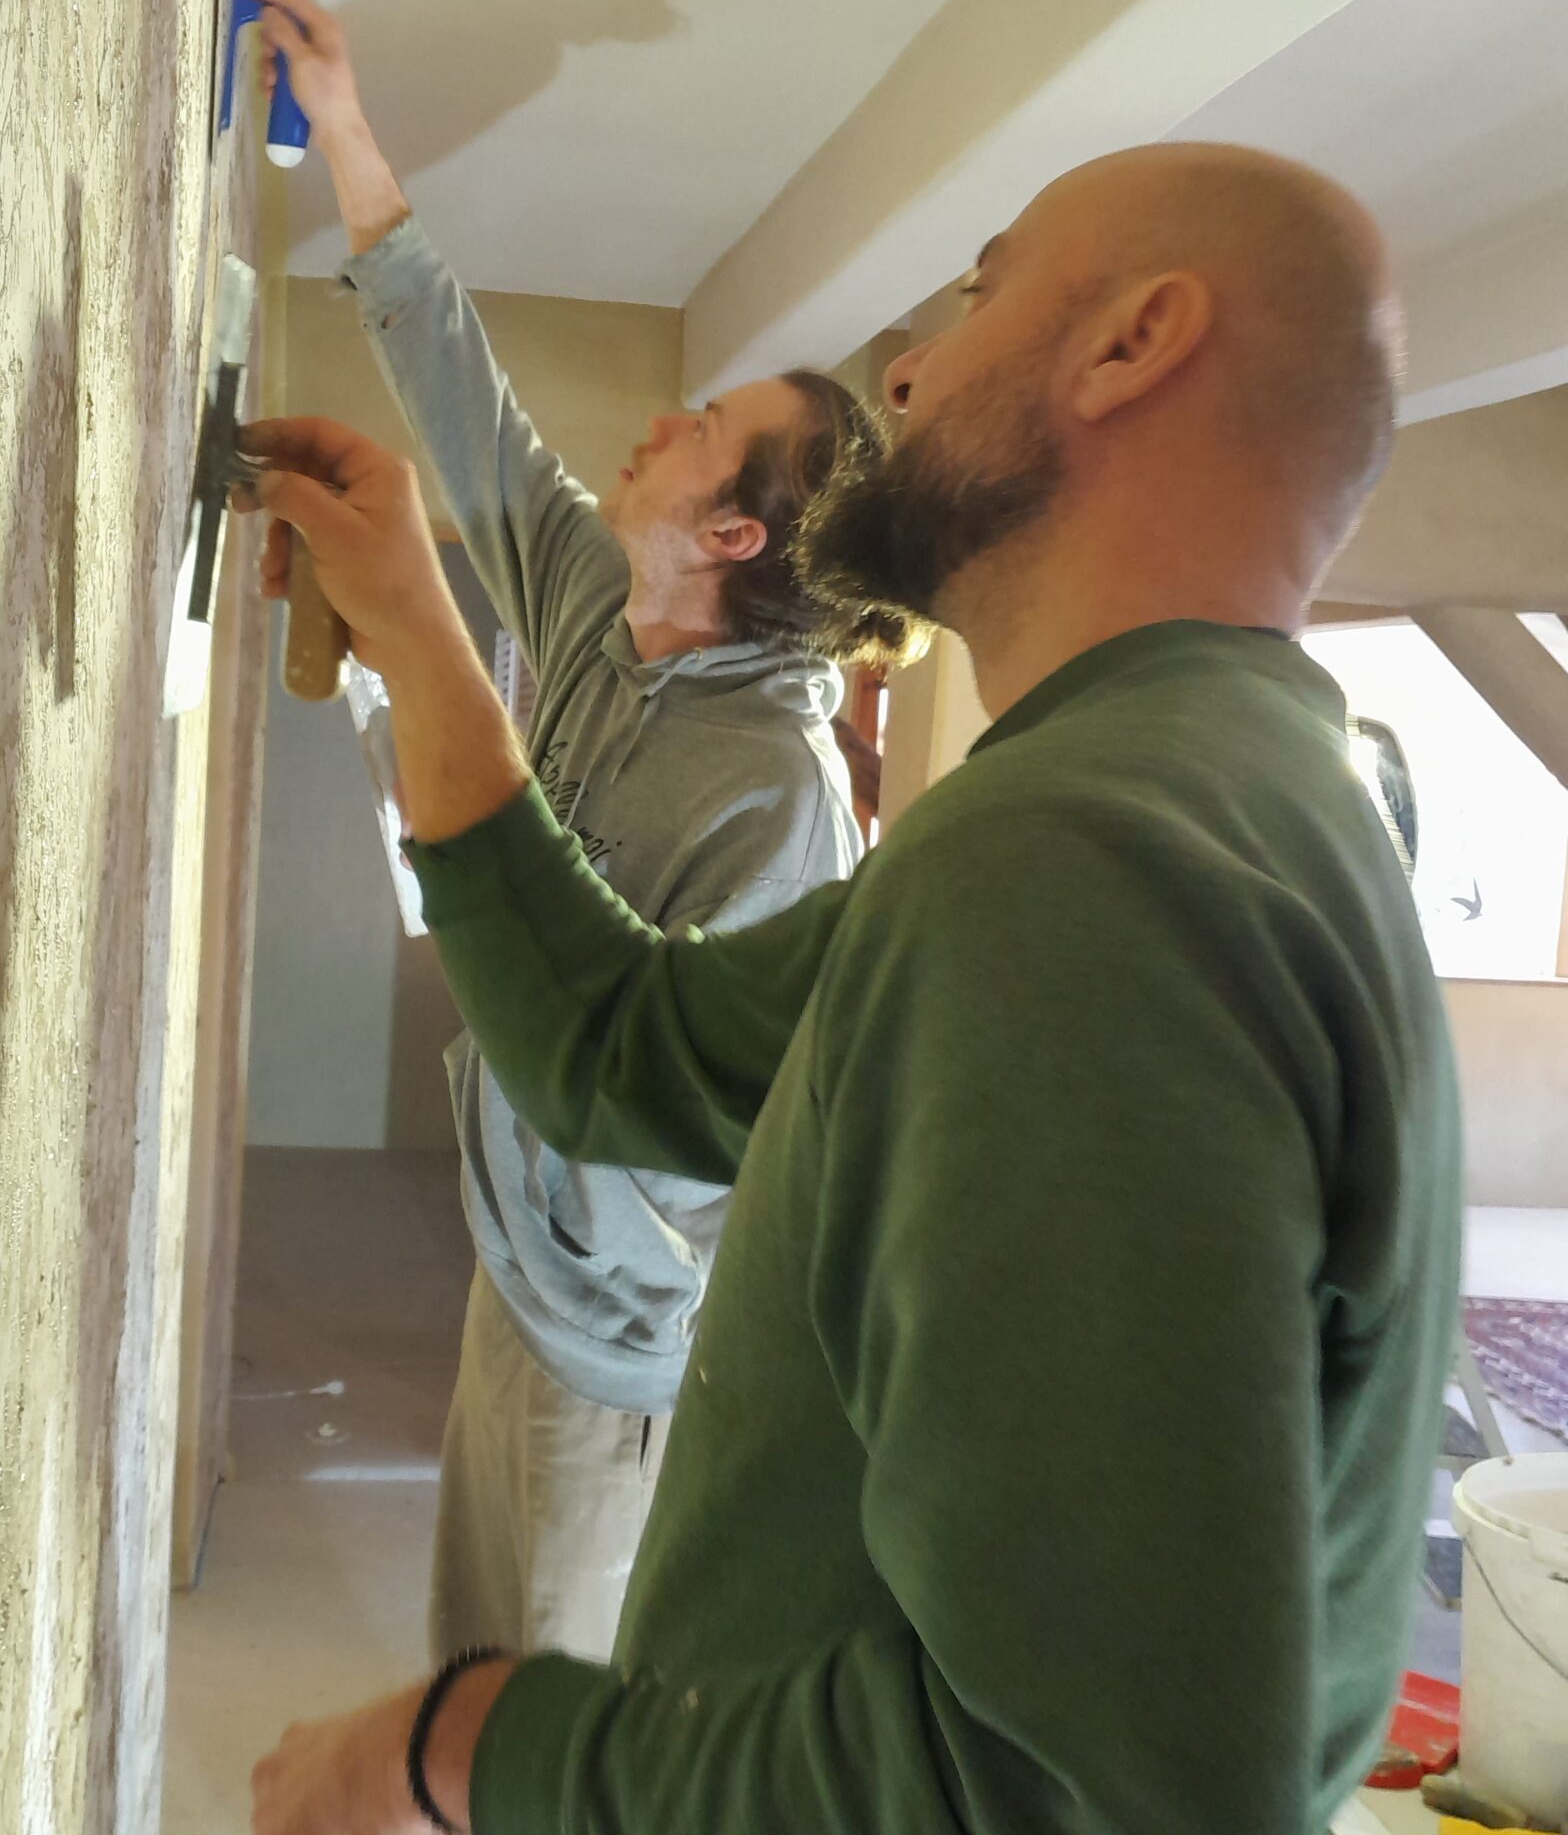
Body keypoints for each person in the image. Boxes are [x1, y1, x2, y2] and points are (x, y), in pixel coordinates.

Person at [242, 141, 1462, 1835]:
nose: (905, 370)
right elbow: (620, 1046)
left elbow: (1065, 1790)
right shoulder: (1125, 804)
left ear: (1134, 344)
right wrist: (422, 629)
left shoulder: (1103, 868)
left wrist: (480, 1740)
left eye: (982, 292)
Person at [249, 0, 913, 1663]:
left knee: (549, 1727)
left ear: (741, 540)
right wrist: (343, 119)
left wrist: (420, 689)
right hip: (513, 1275)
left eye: (705, 432)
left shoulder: (776, 801)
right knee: (470, 1658)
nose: (662, 423)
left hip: (619, 1352)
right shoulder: (604, 610)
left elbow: (683, 1129)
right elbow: (465, 408)